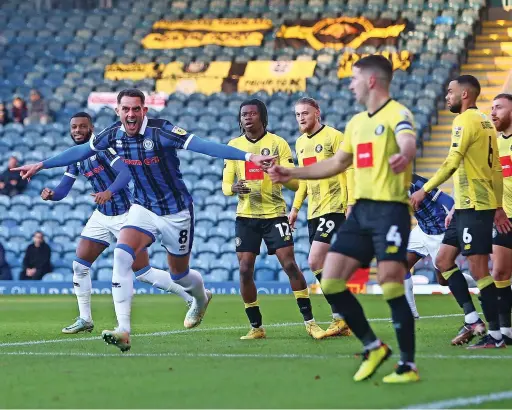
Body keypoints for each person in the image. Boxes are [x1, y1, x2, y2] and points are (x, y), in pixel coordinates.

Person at [12, 88, 274, 352]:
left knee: (180, 274)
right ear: (118, 111)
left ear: (144, 111)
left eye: (136, 109)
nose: (131, 114)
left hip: (176, 211)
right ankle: (123, 330)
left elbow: (204, 146)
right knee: (121, 255)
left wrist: (249, 156)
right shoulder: (113, 134)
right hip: (143, 207)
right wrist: (41, 165)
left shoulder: (162, 131)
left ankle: (200, 297)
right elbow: (79, 153)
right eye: (125, 109)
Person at [269, 55, 419, 383]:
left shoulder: (398, 114)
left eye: (353, 79)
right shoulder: (355, 124)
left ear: (371, 81)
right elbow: (335, 165)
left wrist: (405, 153)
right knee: (332, 279)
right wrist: (290, 172)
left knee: (391, 282)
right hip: (362, 213)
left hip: (390, 210)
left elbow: (407, 138)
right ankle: (373, 345)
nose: (349, 85)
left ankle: (407, 365)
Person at [41, 112, 192, 334]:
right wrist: (51, 194)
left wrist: (109, 192)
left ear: (91, 128)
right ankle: (85, 319)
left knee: (143, 273)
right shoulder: (75, 158)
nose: (77, 131)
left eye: (82, 127)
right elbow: (63, 189)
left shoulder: (103, 148)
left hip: (126, 214)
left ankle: (191, 297)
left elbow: (126, 173)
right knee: (79, 266)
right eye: (74, 127)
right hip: (102, 215)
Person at [410, 75, 512, 349]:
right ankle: (472, 318)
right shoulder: (486, 123)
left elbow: (452, 161)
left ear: (465, 94)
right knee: (443, 262)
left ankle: (496, 334)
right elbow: (495, 170)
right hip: (466, 205)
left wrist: (425, 190)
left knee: (480, 271)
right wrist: (498, 206)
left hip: (476, 206)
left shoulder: (464, 121)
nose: (446, 97)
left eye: (450, 92)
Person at [222, 99, 326, 340]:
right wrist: (234, 188)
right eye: (243, 114)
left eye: (251, 114)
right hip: (246, 217)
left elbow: (295, 183)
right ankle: (256, 327)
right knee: (245, 269)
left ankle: (310, 322)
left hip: (275, 215)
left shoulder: (278, 144)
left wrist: (279, 174)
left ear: (262, 117)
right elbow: (226, 185)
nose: (246, 118)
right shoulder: (234, 146)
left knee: (289, 265)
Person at [288, 97, 352, 337]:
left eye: (305, 113)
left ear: (317, 113)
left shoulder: (335, 137)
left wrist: (350, 203)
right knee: (323, 266)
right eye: (297, 114)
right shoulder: (300, 143)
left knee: (315, 261)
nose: (301, 118)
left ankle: (342, 316)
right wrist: (295, 208)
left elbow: (350, 170)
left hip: (334, 207)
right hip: (313, 211)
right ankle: (342, 319)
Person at [405, 173, 454, 319]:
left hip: (439, 232)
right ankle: (411, 313)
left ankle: (476, 282)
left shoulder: (418, 183)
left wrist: (453, 219)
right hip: (421, 230)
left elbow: (448, 200)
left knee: (444, 281)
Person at [489, 93, 512, 344]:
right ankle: (506, 331)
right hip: (505, 217)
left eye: (499, 108)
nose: (493, 112)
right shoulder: (494, 144)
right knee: (500, 272)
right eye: (491, 108)